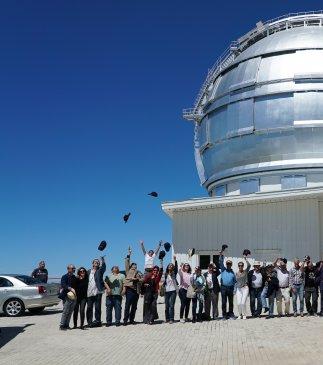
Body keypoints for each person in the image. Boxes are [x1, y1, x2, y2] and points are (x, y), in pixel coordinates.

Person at [123, 247, 143, 325]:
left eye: (135, 265)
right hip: (130, 290)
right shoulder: (128, 270)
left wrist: (136, 279)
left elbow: (142, 279)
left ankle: (131, 320)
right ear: (131, 266)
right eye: (133, 265)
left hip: (136, 291)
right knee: (127, 306)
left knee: (134, 307)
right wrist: (129, 254)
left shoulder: (138, 272)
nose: (134, 266)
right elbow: (127, 262)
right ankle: (125, 321)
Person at [86, 256, 106, 327]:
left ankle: (98, 321)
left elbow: (104, 267)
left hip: (98, 291)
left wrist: (102, 260)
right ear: (93, 264)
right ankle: (89, 322)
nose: (97, 263)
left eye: (98, 262)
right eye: (95, 262)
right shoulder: (88, 271)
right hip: (89, 292)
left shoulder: (100, 270)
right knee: (89, 308)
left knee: (98, 308)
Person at [143, 259, 163, 324]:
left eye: (156, 270)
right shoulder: (148, 276)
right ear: (152, 270)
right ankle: (147, 319)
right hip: (148, 293)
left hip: (154, 293)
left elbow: (161, 272)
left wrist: (161, 262)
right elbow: (143, 283)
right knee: (147, 306)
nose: (155, 271)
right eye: (154, 270)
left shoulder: (158, 277)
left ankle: (152, 319)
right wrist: (145, 284)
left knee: (153, 305)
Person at [59, 264, 78, 330]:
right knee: (65, 311)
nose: (74, 270)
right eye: (72, 268)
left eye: (74, 268)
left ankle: (67, 325)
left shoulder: (74, 277)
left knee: (70, 311)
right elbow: (63, 285)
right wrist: (70, 288)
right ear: (68, 269)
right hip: (66, 296)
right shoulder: (64, 276)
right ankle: (62, 325)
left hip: (74, 297)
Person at [219, 252, 236, 320]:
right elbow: (220, 262)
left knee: (231, 302)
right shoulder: (223, 269)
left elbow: (235, 281)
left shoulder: (232, 272)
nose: (228, 265)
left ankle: (231, 314)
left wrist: (234, 289)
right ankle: (224, 315)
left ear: (231, 265)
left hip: (231, 288)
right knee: (224, 302)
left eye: (230, 264)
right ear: (226, 264)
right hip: (223, 288)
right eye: (227, 264)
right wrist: (221, 255)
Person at [164, 256, 178, 324]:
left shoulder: (173, 274)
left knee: (171, 305)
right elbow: (164, 282)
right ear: (167, 267)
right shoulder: (166, 274)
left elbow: (176, 269)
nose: (170, 266)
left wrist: (175, 261)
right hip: (166, 291)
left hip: (173, 291)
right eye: (169, 265)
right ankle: (167, 318)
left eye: (171, 266)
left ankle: (171, 319)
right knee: (166, 305)